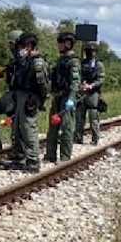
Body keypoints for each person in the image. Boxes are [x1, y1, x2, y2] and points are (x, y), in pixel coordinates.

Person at [1, 32, 48, 173]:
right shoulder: (23, 61)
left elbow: (44, 86)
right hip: (20, 96)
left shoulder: (37, 63)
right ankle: (18, 157)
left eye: (21, 46)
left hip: (30, 98)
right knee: (16, 128)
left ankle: (33, 161)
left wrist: (39, 100)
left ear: (28, 46)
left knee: (28, 129)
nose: (18, 49)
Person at [44, 32, 80, 163]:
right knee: (53, 126)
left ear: (68, 44)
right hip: (57, 96)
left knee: (67, 128)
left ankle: (65, 157)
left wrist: (71, 98)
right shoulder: (60, 60)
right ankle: (50, 155)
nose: (58, 46)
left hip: (66, 97)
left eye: (61, 43)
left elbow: (75, 82)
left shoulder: (74, 61)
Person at [74, 41, 105, 145]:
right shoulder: (82, 63)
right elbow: (78, 76)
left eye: (91, 51)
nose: (89, 53)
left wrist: (91, 86)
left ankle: (95, 138)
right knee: (79, 116)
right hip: (82, 92)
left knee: (93, 117)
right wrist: (81, 85)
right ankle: (78, 137)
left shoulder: (98, 64)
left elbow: (101, 79)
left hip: (93, 93)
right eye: (87, 51)